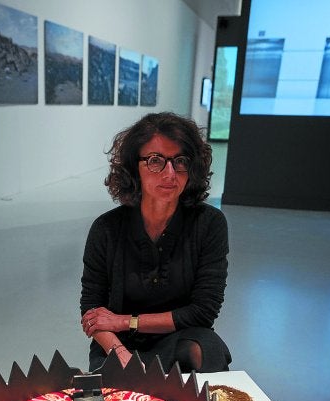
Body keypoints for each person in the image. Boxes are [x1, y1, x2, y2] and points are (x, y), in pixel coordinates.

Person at [80, 111, 231, 374]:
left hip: (181, 337)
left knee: (208, 349)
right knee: (118, 392)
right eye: (155, 161)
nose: (170, 173)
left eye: (180, 161)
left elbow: (203, 312)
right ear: (133, 168)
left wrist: (126, 321)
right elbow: (93, 311)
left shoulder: (209, 223)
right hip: (119, 344)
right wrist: (123, 355)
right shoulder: (106, 229)